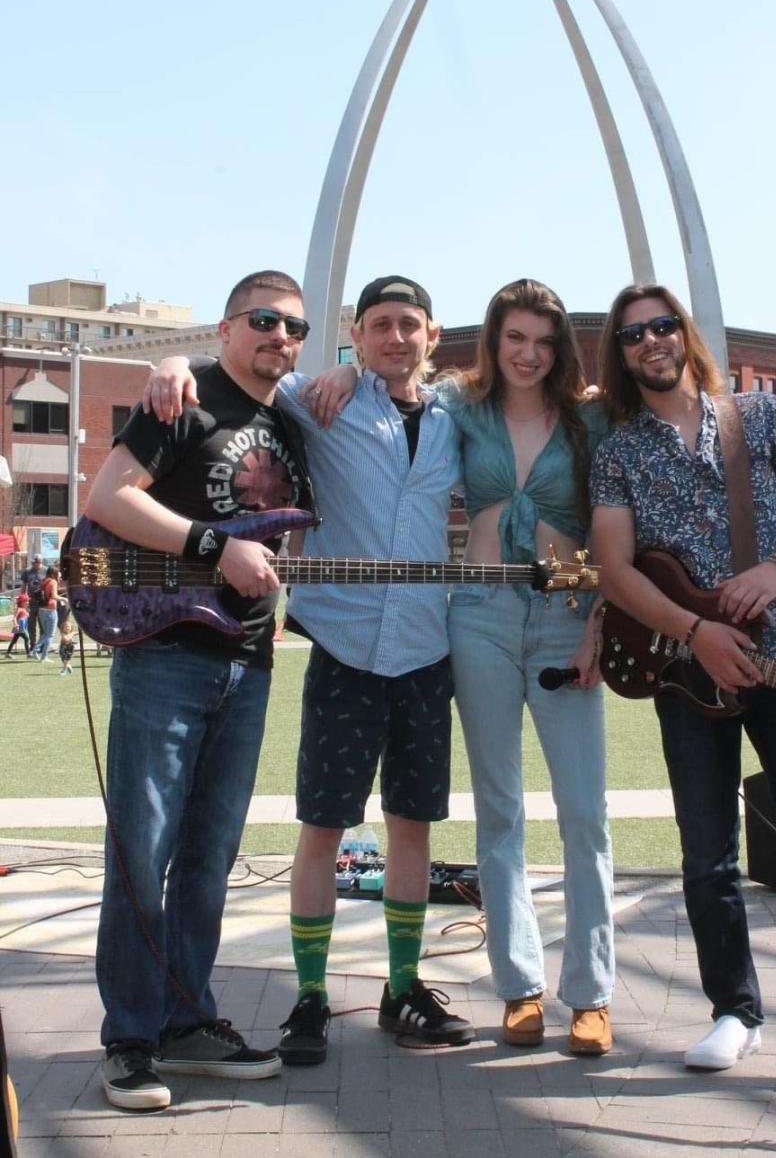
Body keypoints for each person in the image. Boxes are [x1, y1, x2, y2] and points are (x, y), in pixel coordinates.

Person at [145, 275, 474, 1066]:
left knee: (412, 826)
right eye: (380, 326)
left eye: (411, 326)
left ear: (432, 337)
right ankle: (312, 997)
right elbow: (241, 371)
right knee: (324, 827)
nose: (397, 338)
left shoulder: (461, 418)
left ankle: (402, 988)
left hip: (428, 648)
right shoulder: (317, 400)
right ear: (355, 337)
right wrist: (171, 361)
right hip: (344, 644)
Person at [306, 278, 615, 1055]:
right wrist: (345, 367)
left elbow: (622, 527)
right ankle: (519, 986)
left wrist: (602, 624)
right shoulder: (461, 408)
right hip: (475, 619)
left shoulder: (591, 416)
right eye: (515, 338)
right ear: (491, 341)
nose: (529, 354)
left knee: (585, 813)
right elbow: (374, 383)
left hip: (566, 620)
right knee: (499, 812)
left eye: (544, 341)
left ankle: (591, 993)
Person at [590, 283, 776, 1072]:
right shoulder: (619, 452)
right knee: (707, 853)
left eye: (663, 326)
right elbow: (613, 570)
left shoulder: (764, 416)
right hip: (687, 675)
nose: (652, 341)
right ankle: (734, 1011)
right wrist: (696, 631)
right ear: (621, 351)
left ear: (685, 335)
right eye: (634, 333)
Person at [86, 270, 311, 1112]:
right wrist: (215, 547)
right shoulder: (181, 399)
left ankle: (187, 1019)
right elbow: (106, 499)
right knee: (143, 852)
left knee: (210, 858)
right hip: (163, 654)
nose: (279, 337)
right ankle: (131, 1039)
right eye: (263, 320)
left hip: (248, 662)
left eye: (294, 326)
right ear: (226, 328)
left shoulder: (288, 424)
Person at [33, 566, 59, 662]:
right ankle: (41, 654)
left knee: (45, 633)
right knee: (50, 634)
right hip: (50, 610)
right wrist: (65, 599)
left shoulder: (43, 581)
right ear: (54, 573)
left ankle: (38, 652)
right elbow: (54, 596)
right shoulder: (53, 582)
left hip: (41, 609)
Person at [20, 555, 45, 652]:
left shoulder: (46, 571)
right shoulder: (27, 571)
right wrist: (22, 600)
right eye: (32, 562)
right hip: (31, 602)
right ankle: (33, 645)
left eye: (34, 562)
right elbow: (23, 586)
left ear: (40, 562)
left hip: (42, 602)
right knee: (31, 624)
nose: (32, 564)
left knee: (42, 624)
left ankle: (42, 645)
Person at [4, 592, 30, 659]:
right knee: (26, 639)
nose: (27, 602)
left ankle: (8, 653)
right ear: (22, 602)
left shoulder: (24, 609)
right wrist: (16, 625)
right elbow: (14, 618)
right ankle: (28, 654)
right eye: (26, 601)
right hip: (19, 628)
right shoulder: (19, 609)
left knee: (14, 641)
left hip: (22, 628)